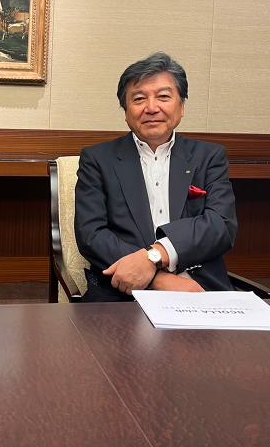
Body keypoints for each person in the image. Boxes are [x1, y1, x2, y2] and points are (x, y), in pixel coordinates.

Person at [74, 52, 236, 301]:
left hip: (198, 286)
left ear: (181, 107)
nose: (151, 108)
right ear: (126, 111)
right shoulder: (97, 159)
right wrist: (157, 279)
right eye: (139, 99)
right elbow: (91, 234)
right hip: (122, 289)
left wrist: (156, 255)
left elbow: (220, 225)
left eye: (163, 97)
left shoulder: (209, 157)